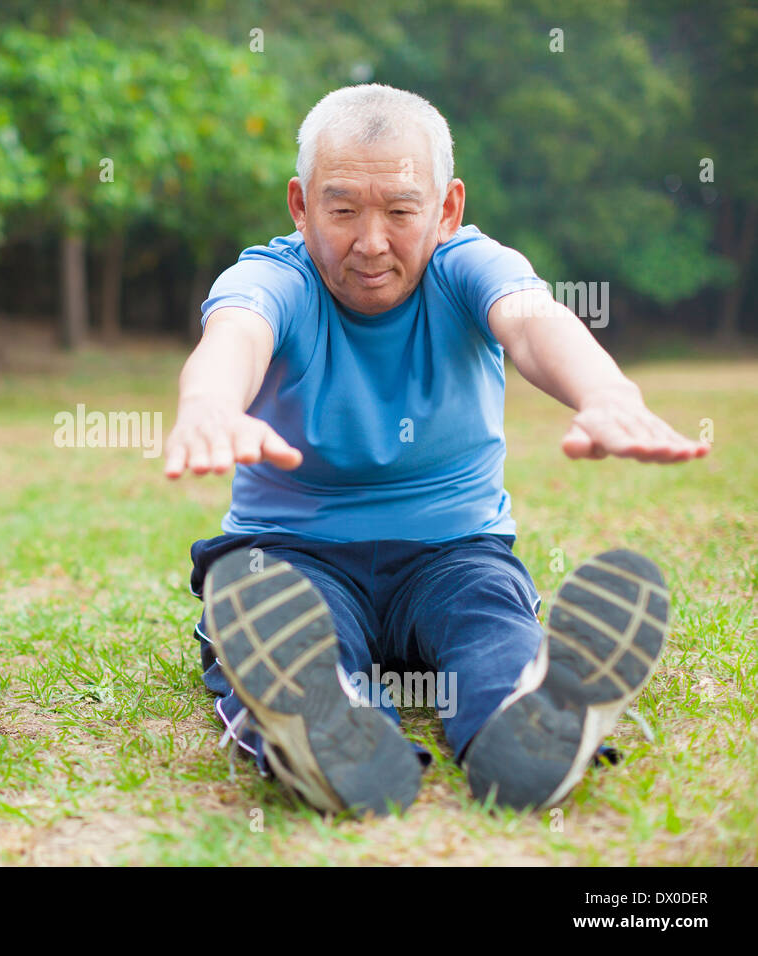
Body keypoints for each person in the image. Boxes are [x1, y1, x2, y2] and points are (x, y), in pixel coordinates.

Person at [164, 83, 709, 815]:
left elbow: (530, 320)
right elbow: (236, 333)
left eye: (399, 210)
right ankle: (328, 724)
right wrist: (206, 405)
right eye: (342, 208)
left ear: (447, 209)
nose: (371, 242)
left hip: (454, 553)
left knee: (490, 624)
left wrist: (605, 395)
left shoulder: (468, 267)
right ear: (300, 205)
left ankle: (531, 715)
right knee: (283, 620)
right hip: (293, 554)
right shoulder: (273, 277)